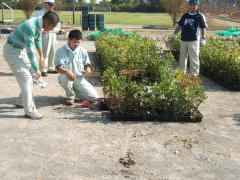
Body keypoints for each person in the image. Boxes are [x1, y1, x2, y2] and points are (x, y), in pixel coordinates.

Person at [3, 11, 60, 120]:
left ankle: (21, 102)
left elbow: (38, 40)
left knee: (33, 75)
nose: (51, 30)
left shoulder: (39, 23)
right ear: (46, 22)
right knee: (27, 79)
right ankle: (30, 111)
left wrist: (42, 56)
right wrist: (37, 69)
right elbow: (30, 51)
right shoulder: (30, 26)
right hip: (11, 51)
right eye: (51, 27)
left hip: (19, 50)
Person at [55, 29, 99, 106]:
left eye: (78, 42)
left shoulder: (82, 50)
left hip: (79, 78)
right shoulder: (60, 51)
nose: (77, 44)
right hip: (66, 77)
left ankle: (76, 91)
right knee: (64, 78)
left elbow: (87, 64)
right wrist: (67, 72)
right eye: (74, 42)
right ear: (68, 40)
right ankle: (70, 97)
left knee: (94, 97)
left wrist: (88, 71)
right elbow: (58, 67)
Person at [173, 0, 207, 77]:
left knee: (194, 60)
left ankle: (193, 77)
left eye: (194, 4)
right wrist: (174, 34)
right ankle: (181, 76)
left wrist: (203, 38)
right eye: (190, 4)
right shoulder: (185, 15)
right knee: (182, 59)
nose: (192, 6)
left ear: (197, 5)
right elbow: (179, 26)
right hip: (183, 40)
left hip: (194, 41)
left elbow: (203, 28)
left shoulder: (199, 16)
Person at [37, 0, 60, 76]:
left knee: (52, 51)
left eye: (52, 4)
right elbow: (38, 24)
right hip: (45, 35)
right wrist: (43, 30)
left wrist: (54, 29)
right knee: (45, 52)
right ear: (45, 4)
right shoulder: (40, 13)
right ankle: (43, 69)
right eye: (50, 4)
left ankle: (50, 67)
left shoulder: (54, 13)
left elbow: (58, 25)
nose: (51, 6)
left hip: (53, 34)